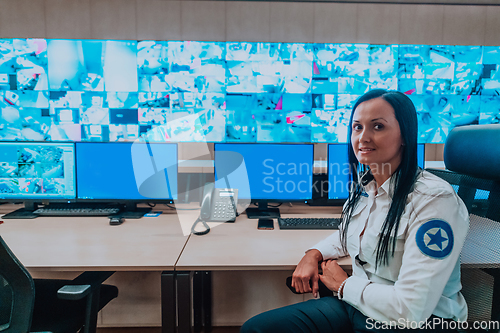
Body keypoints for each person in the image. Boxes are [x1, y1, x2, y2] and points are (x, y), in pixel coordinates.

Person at [241, 89, 469, 332]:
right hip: (360, 305)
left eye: (378, 127)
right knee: (257, 329)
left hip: (413, 322)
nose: (363, 137)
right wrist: (314, 253)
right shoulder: (367, 185)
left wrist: (343, 285)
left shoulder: (433, 201)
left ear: (405, 135)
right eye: (357, 127)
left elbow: (411, 309)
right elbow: (349, 234)